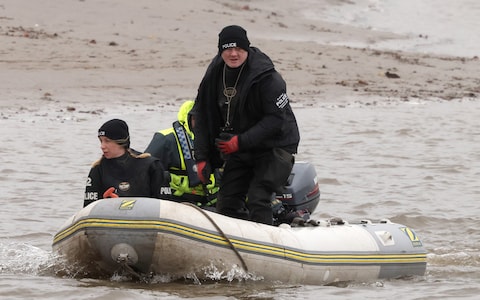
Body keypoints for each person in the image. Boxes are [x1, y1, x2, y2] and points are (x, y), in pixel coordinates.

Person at [192, 25, 300, 225]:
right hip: (241, 146)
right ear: (220, 50)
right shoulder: (214, 75)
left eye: (239, 49)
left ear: (247, 49)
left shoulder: (268, 77)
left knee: (258, 198)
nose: (233, 54)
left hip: (274, 146)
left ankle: (267, 247)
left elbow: (276, 120)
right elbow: (202, 116)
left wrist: (240, 141)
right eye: (228, 49)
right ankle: (238, 244)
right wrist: (202, 158)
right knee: (226, 202)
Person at [145, 100, 219, 208]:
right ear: (189, 118)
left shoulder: (216, 139)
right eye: (198, 118)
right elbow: (146, 171)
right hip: (177, 202)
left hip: (211, 201)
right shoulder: (165, 139)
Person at [83, 119, 167, 207]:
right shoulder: (98, 168)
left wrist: (122, 205)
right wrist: (105, 203)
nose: (102, 146)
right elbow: (89, 207)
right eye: (101, 141)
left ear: (121, 142)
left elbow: (164, 206)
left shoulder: (151, 165)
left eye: (107, 141)